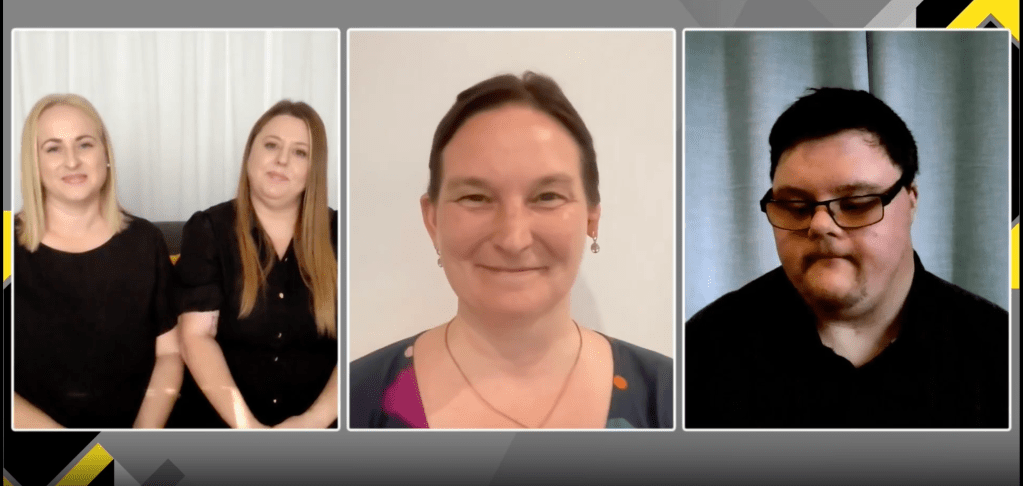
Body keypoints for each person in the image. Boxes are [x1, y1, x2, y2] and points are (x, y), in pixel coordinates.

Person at [350, 72, 672, 429]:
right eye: (476, 197)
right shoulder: (355, 401)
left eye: (547, 197)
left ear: (591, 218)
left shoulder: (676, 396)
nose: (513, 239)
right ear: (433, 221)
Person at [685, 87, 1009, 428]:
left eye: (856, 204)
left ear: (911, 200)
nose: (820, 225)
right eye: (796, 207)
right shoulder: (704, 352)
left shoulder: (1000, 354)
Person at [14, 94, 182, 428]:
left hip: (139, 437)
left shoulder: (146, 241)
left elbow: (170, 354)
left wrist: (139, 446)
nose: (72, 161)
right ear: (34, 163)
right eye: (53, 148)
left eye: (85, 144)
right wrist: (83, 462)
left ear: (105, 155)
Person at [171, 100, 338, 429]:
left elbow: (356, 345)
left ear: (313, 168)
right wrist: (249, 429)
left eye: (300, 152)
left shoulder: (341, 235)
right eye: (271, 145)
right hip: (219, 425)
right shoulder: (208, 229)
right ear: (251, 153)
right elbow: (196, 337)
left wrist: (312, 422)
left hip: (315, 428)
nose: (282, 160)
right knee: (105, 476)